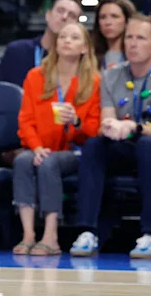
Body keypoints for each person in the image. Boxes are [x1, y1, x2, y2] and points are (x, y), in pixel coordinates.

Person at [69, 14, 151, 258]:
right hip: (124, 143)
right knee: (94, 145)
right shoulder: (111, 75)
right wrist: (111, 126)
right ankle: (87, 231)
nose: (132, 43)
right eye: (129, 37)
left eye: (140, 38)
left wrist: (135, 127)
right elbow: (105, 122)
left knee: (148, 146)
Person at [12, 21, 100, 256]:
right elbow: (26, 120)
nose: (66, 41)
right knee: (22, 161)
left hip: (75, 152)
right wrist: (37, 146)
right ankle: (28, 234)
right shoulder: (35, 76)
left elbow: (94, 131)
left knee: (49, 163)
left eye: (74, 37)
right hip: (40, 147)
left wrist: (77, 121)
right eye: (62, 37)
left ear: (84, 48)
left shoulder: (94, 82)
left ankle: (51, 235)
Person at [0, 0, 83, 86]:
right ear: (48, 15)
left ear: (76, 25)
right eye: (60, 11)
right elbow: (2, 93)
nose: (64, 17)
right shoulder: (17, 51)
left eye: (72, 15)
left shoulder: (76, 61)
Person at [91, 0, 137, 69]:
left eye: (114, 16)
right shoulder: (89, 57)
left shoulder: (138, 56)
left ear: (127, 21)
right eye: (103, 17)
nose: (108, 22)